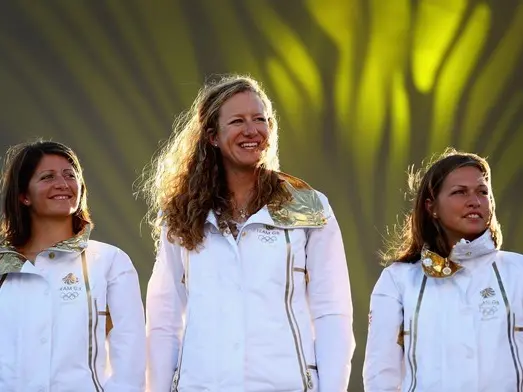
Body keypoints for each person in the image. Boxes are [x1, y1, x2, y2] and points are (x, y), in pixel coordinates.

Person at [143, 75, 355, 392]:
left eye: (260, 119)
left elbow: (332, 311)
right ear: (212, 135)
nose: (251, 130)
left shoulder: (309, 206)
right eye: (238, 121)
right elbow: (163, 319)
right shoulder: (181, 214)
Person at [363, 148, 523, 391]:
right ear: (431, 207)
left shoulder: (518, 271)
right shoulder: (398, 280)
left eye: (482, 192)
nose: (474, 201)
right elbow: (381, 375)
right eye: (459, 192)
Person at [0, 140, 146, 392]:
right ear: (24, 196)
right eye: (47, 177)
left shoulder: (110, 261)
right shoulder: (4, 266)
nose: (62, 184)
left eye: (70, 175)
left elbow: (130, 358)